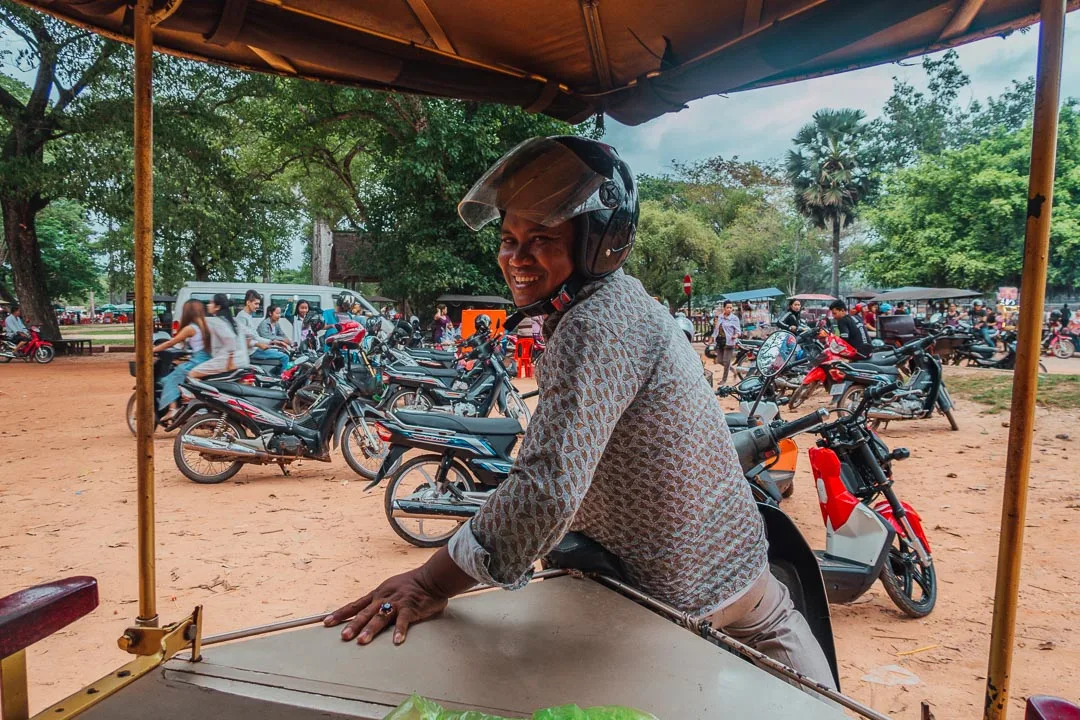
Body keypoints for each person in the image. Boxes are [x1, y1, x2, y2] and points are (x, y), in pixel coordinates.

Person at [324, 135, 836, 688]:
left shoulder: (591, 325)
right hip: (749, 579)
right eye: (508, 239)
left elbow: (546, 489)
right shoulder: (627, 299)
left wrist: (429, 582)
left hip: (675, 606)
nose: (516, 258)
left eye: (540, 238)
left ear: (600, 242)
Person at [152, 300, 212, 422]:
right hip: (208, 360)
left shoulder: (190, 328)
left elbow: (171, 342)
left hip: (197, 362)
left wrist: (152, 350)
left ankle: (172, 409)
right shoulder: (205, 326)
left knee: (171, 378)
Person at [189, 294, 249, 378]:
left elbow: (230, 339)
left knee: (192, 374)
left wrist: (230, 361)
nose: (208, 305)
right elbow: (249, 334)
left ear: (217, 307)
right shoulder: (233, 321)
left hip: (227, 361)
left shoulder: (216, 321)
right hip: (243, 360)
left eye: (211, 303)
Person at [236, 290, 289, 373]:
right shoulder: (242, 317)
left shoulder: (248, 316)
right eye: (256, 303)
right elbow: (242, 340)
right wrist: (260, 344)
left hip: (255, 349)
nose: (257, 306)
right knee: (285, 357)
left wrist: (272, 342)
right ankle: (282, 381)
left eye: (258, 304)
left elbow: (255, 336)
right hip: (252, 352)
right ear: (248, 302)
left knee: (282, 351)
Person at [713, 301, 741, 384]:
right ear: (724, 308)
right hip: (720, 341)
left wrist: (735, 336)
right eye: (727, 307)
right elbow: (716, 329)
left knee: (726, 361)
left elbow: (738, 331)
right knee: (719, 360)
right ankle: (733, 369)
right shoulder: (720, 317)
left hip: (729, 342)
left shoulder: (735, 318)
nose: (729, 309)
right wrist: (712, 337)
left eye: (731, 308)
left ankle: (724, 380)